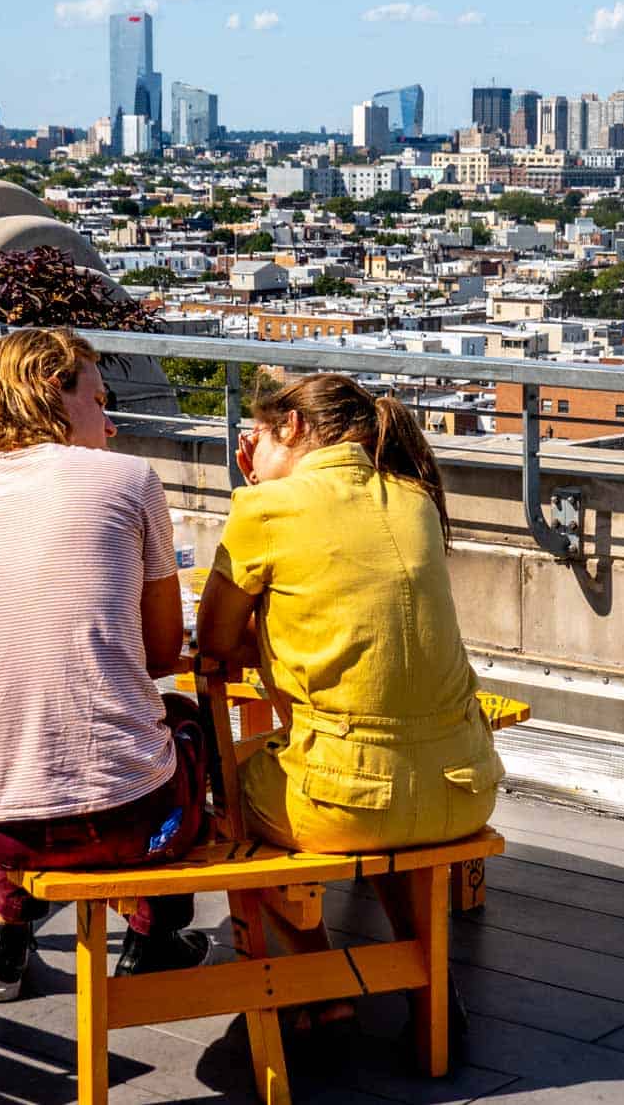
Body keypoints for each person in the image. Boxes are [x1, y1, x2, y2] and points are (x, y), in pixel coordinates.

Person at [0, 327, 211, 1003]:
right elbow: (156, 657)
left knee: (29, 746)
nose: (111, 423)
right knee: (184, 727)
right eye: (98, 399)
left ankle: (7, 925)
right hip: (127, 818)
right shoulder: (127, 481)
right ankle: (155, 934)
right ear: (50, 392)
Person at [196, 374, 503, 1004]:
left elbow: (217, 643)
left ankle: (321, 980)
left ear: (293, 428)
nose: (249, 450)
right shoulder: (413, 498)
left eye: (257, 435)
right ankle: (428, 987)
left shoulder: (264, 509)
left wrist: (259, 490)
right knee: (385, 789)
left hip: (345, 803)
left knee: (219, 795)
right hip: (465, 788)